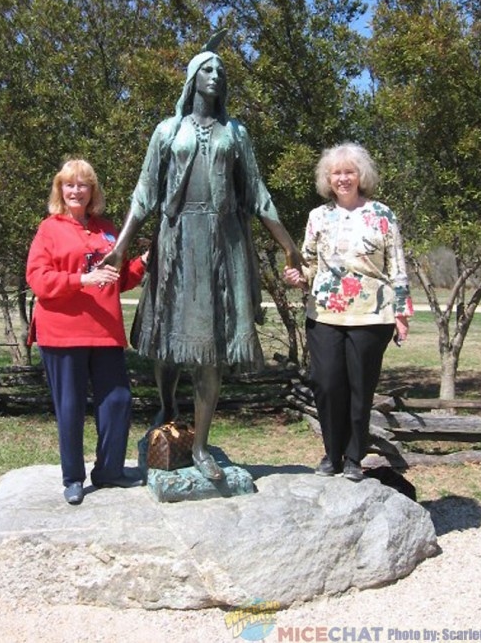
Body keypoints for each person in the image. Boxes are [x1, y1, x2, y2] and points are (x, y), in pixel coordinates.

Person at [100, 43, 301, 480]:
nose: (215, 75)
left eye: (220, 71)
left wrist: (288, 244)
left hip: (223, 243)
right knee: (170, 340)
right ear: (192, 78)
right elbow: (144, 192)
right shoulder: (168, 131)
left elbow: (258, 194)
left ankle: (202, 447)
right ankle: (169, 405)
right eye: (207, 69)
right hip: (176, 241)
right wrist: (121, 246)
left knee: (211, 347)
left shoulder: (237, 134)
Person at [284, 142, 413, 482]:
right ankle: (332, 453)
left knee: (360, 387)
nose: (343, 178)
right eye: (336, 173)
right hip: (325, 312)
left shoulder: (383, 215)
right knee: (326, 384)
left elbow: (397, 265)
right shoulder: (318, 217)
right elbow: (309, 265)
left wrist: (402, 312)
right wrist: (299, 276)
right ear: (328, 179)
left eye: (349, 172)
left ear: (361, 176)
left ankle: (354, 458)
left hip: (373, 314)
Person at [26, 158, 148, 505]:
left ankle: (109, 471)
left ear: (92, 190)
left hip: (105, 331)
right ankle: (73, 478)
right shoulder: (49, 229)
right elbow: (38, 279)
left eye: (83, 184)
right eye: (69, 184)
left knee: (118, 401)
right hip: (62, 333)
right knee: (71, 407)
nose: (76, 190)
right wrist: (82, 279)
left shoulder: (108, 229)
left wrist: (144, 262)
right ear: (60, 190)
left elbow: (118, 279)